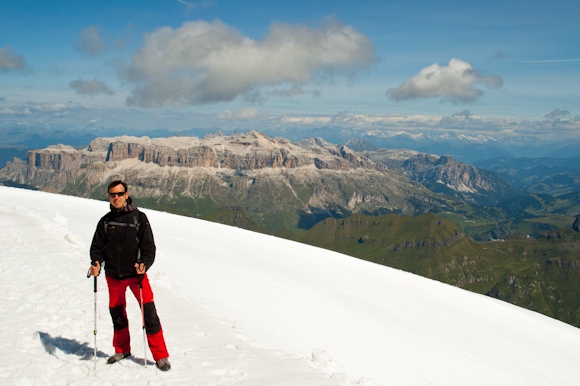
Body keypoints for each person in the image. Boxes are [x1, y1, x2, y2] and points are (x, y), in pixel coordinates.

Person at [89, 180, 170, 371]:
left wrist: (145, 265)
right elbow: (96, 249)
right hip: (113, 276)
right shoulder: (106, 221)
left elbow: (149, 248)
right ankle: (122, 350)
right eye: (112, 195)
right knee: (117, 315)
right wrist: (96, 264)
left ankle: (160, 356)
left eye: (119, 194)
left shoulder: (139, 218)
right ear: (109, 196)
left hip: (136, 276)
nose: (116, 198)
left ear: (127, 194)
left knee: (149, 315)